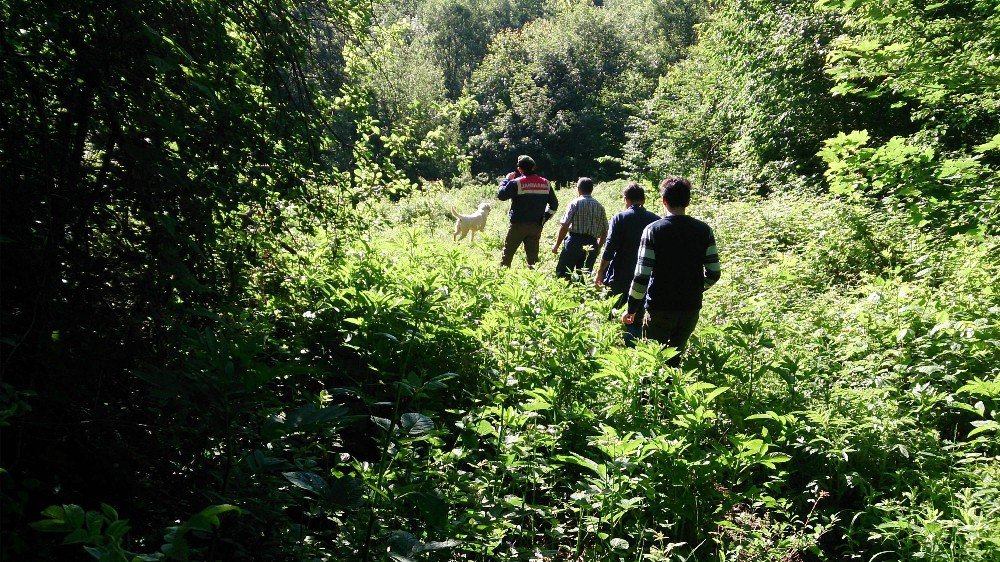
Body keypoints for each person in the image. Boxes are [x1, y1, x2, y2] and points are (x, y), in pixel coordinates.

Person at [622, 177, 721, 367]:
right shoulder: (704, 231)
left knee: (652, 363)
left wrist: (631, 308)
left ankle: (650, 397)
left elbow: (642, 275)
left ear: (664, 201)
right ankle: (670, 395)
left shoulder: (653, 230)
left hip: (660, 307)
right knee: (674, 361)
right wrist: (695, 288)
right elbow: (714, 273)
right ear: (688, 201)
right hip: (690, 307)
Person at [595, 182, 660, 341]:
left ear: (626, 199)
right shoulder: (656, 221)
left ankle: (609, 343)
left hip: (620, 273)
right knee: (637, 314)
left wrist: (600, 271)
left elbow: (610, 248)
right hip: (645, 275)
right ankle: (633, 345)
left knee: (612, 310)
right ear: (643, 200)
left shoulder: (620, 218)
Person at [498, 155, 559, 268]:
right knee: (533, 259)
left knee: (507, 255)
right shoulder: (546, 183)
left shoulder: (516, 183)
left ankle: (502, 279)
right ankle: (534, 280)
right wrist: (544, 218)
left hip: (518, 225)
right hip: (536, 225)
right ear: (534, 167)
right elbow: (554, 205)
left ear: (520, 169)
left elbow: (501, 195)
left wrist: (506, 180)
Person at [552, 177, 608, 279]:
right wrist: (598, 247)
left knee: (563, 273)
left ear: (578, 188)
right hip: (592, 244)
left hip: (574, 241)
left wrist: (557, 244)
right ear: (592, 189)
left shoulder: (575, 203)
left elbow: (564, 225)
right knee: (583, 277)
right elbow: (605, 231)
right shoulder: (600, 207)